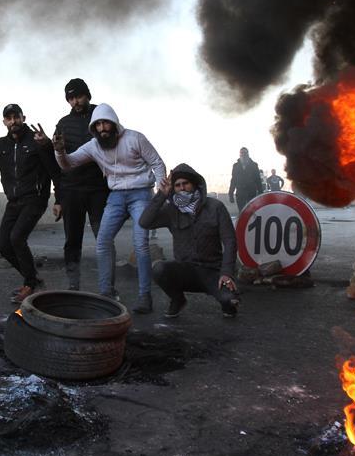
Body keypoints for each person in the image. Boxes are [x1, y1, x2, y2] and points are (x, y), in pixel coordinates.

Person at [49, 103, 166, 314]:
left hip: (141, 193)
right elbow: (68, 164)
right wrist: (59, 151)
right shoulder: (94, 145)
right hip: (116, 196)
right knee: (102, 241)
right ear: (94, 128)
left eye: (106, 123)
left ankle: (144, 295)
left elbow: (157, 163)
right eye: (98, 125)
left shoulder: (135, 138)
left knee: (140, 244)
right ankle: (106, 293)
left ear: (114, 123)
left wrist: (160, 189)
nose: (103, 128)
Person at [0, 104, 60, 303]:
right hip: (14, 202)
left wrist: (59, 199)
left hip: (35, 199)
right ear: (4, 122)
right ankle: (32, 279)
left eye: (16, 117)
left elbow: (54, 170)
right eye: (9, 118)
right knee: (4, 247)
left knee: (17, 238)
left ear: (23, 117)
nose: (13, 121)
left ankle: (30, 284)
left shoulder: (35, 142)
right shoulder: (1, 145)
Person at [139, 164, 240, 318]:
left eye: (185, 183)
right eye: (178, 185)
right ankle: (178, 300)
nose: (182, 188)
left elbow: (230, 241)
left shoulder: (215, 207)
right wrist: (161, 195)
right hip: (186, 270)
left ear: (194, 184)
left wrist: (226, 273)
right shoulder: (171, 210)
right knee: (159, 269)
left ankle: (227, 301)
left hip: (212, 271)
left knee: (230, 301)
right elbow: (144, 222)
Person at [53, 79, 110, 291]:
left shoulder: (101, 116)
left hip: (99, 190)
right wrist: (58, 198)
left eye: (79, 96)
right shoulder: (63, 123)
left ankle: (108, 287)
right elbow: (58, 162)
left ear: (88, 95)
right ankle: (73, 285)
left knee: (104, 239)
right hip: (71, 191)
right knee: (72, 241)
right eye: (71, 98)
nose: (75, 101)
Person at [228, 147, 263, 213]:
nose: (243, 155)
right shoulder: (236, 166)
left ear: (248, 154)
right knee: (242, 213)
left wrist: (261, 193)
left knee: (252, 213)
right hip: (240, 193)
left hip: (251, 193)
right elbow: (233, 180)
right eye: (242, 153)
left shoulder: (254, 165)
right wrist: (231, 194)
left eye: (245, 153)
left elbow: (258, 180)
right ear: (240, 155)